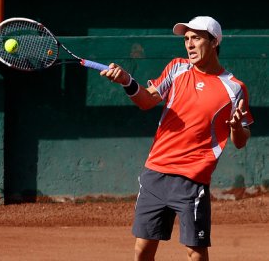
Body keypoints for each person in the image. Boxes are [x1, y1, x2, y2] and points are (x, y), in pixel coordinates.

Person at [100, 16, 254, 261]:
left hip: (192, 179)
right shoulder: (177, 68)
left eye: (196, 38)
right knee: (142, 249)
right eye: (186, 39)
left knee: (195, 252)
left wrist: (235, 127)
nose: (189, 44)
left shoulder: (234, 87)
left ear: (214, 42)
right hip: (156, 172)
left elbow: (241, 139)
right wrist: (127, 82)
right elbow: (147, 100)